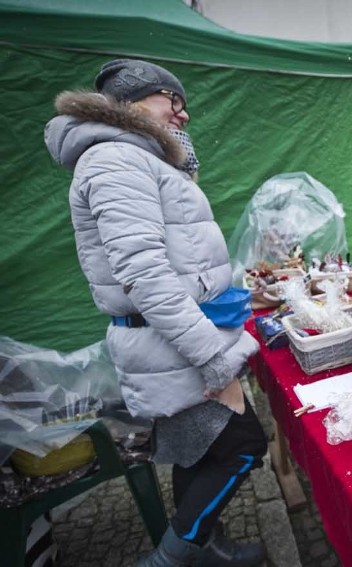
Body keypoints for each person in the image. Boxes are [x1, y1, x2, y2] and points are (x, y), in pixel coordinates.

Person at [45, 59, 268, 566]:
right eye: (174, 99)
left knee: (203, 449)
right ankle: (172, 558)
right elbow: (144, 275)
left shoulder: (136, 158)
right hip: (174, 345)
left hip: (175, 339)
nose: (183, 115)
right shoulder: (115, 160)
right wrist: (211, 354)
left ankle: (204, 542)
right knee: (242, 447)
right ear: (133, 101)